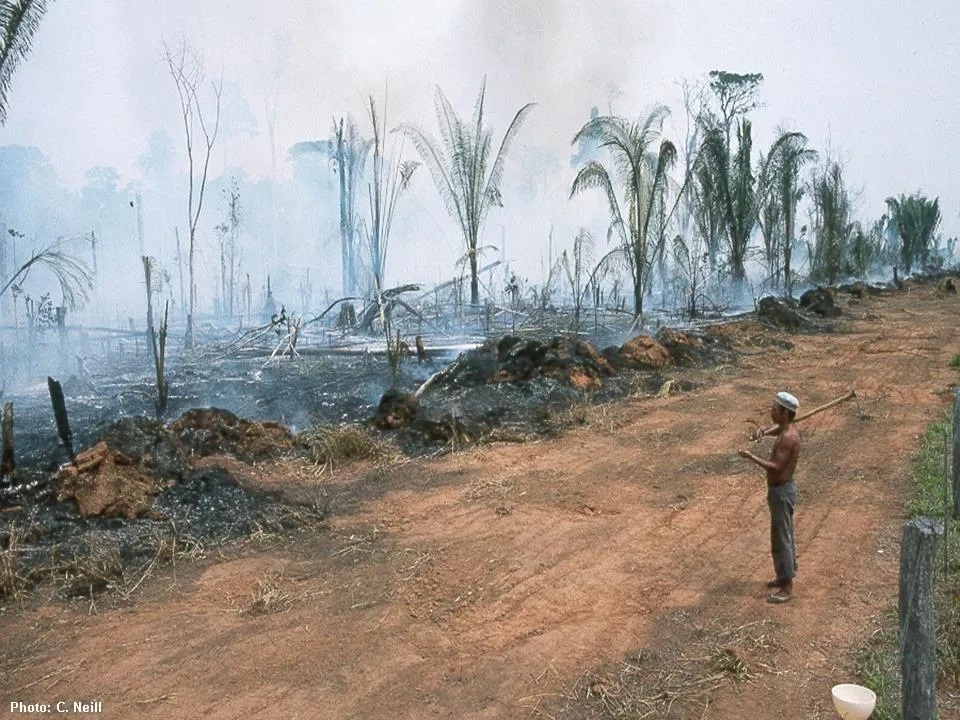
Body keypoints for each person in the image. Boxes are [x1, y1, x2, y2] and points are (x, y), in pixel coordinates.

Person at [738, 391, 801, 604]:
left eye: (775, 409)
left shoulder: (789, 438)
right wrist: (763, 431)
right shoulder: (785, 429)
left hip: (781, 491)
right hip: (780, 491)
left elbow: (776, 467)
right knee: (781, 535)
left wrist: (751, 457)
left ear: (784, 413)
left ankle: (787, 587)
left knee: (782, 537)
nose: (771, 411)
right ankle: (784, 575)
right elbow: (776, 430)